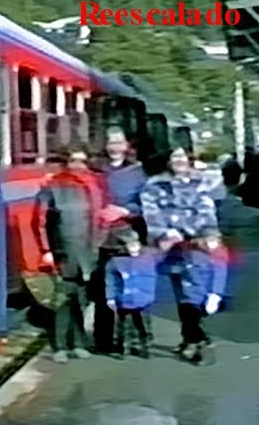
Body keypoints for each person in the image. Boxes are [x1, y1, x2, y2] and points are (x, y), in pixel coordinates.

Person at [140, 145, 225, 364]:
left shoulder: (201, 183)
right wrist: (165, 233)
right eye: (174, 156)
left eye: (182, 157)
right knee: (182, 291)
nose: (178, 161)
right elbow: (151, 213)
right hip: (169, 246)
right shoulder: (154, 185)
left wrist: (206, 234)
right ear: (168, 160)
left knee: (196, 290)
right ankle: (193, 339)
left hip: (196, 245)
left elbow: (207, 211)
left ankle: (194, 335)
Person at [33, 144, 106, 363]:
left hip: (88, 250)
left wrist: (97, 247)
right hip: (64, 250)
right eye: (74, 161)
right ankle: (60, 346)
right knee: (63, 300)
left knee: (81, 299)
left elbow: (100, 220)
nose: (78, 166)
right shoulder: (52, 186)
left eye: (82, 161)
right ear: (65, 162)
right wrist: (46, 250)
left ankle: (79, 342)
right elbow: (39, 221)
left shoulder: (93, 185)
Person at [88, 126, 149, 354]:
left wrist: (124, 210)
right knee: (101, 291)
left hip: (126, 235)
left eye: (118, 142)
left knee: (130, 287)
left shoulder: (137, 172)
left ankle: (136, 340)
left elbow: (146, 203)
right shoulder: (94, 170)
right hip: (98, 236)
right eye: (111, 142)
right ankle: (103, 340)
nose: (114, 147)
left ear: (126, 146)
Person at [104, 226, 159, 359]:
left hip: (142, 299)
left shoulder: (148, 258)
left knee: (144, 325)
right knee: (123, 325)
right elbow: (110, 280)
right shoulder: (115, 261)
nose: (133, 247)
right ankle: (123, 347)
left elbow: (151, 278)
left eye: (135, 244)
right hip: (124, 298)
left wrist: (149, 294)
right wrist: (110, 297)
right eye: (130, 245)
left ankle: (145, 346)